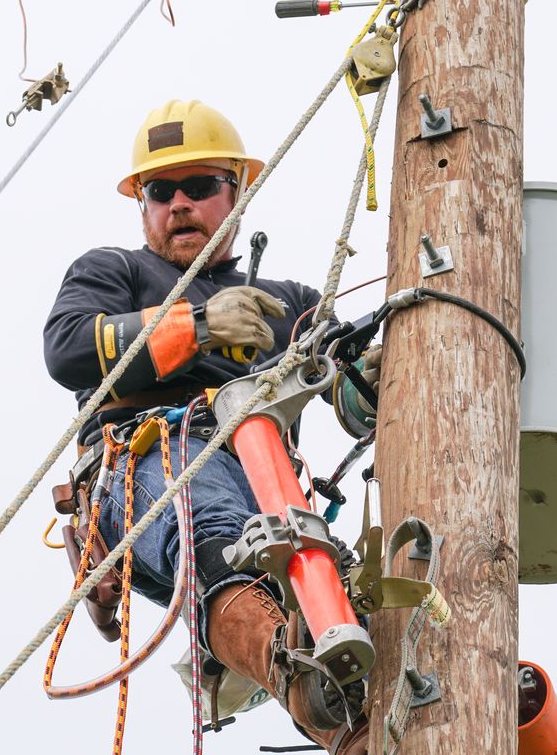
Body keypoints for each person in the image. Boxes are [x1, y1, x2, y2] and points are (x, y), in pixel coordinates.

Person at [43, 100, 373, 754]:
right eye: (161, 192)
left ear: (238, 193)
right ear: (143, 206)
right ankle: (287, 666)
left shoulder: (293, 305)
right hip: (150, 465)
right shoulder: (116, 272)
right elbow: (68, 349)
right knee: (215, 529)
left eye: (200, 187)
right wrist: (195, 328)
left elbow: (356, 395)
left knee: (342, 606)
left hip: (269, 483)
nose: (179, 205)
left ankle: (354, 725)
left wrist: (376, 366)